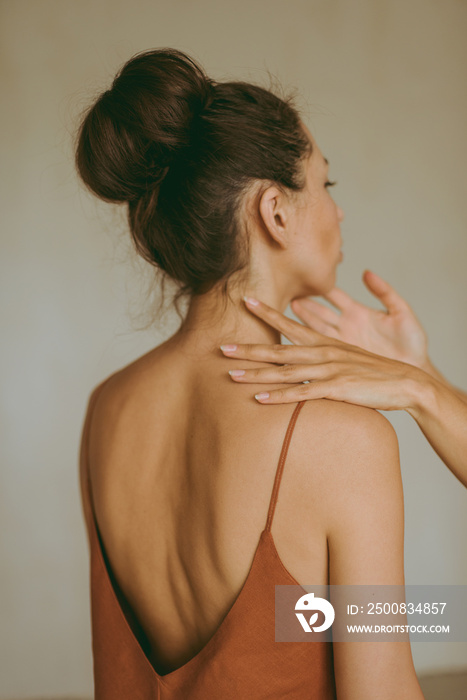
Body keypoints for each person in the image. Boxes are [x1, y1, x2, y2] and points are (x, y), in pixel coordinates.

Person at [76, 48, 426, 698]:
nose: (337, 212)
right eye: (326, 185)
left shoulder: (107, 410)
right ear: (274, 210)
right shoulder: (344, 440)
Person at [220, 271, 467, 489]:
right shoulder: (357, 436)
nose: (339, 214)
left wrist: (418, 384)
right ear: (276, 217)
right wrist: (419, 373)